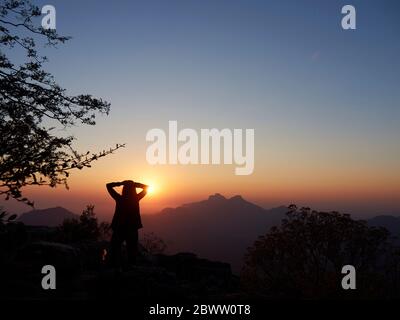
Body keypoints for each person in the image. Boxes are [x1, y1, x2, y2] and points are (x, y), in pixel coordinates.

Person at [106, 180, 148, 267]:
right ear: (133, 190)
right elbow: (146, 187)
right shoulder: (136, 198)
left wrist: (120, 183)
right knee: (132, 251)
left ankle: (114, 267)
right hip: (132, 228)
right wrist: (135, 184)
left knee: (115, 249)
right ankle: (131, 270)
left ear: (124, 189)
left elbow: (108, 186)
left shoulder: (119, 199)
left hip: (119, 228)